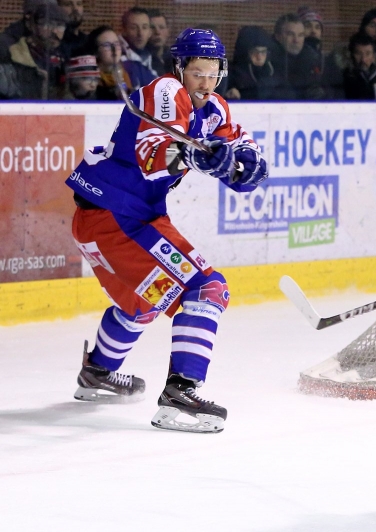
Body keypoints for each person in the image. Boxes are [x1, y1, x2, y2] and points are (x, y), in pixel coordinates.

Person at [65, 29, 268, 433]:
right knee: (207, 288)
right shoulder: (165, 90)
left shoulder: (214, 108)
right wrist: (196, 155)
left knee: (146, 300)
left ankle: (98, 372)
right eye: (197, 72)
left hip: (117, 217)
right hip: (115, 215)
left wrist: (247, 166)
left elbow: (240, 150)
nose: (205, 83)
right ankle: (182, 392)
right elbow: (151, 155)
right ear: (179, 69)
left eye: (213, 74)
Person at [0, 3, 66, 100]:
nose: (55, 31)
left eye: (60, 25)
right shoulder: (9, 53)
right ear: (30, 25)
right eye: (47, 24)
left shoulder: (60, 59)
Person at [269, 13, 324, 100]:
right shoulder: (266, 62)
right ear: (278, 36)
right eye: (290, 34)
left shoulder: (313, 59)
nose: (296, 40)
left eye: (300, 35)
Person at [226, 26, 280, 101]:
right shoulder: (231, 75)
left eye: (263, 52)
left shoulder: (274, 74)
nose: (259, 57)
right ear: (245, 53)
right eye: (255, 52)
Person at [119, 7, 157, 83]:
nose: (140, 33)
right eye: (134, 28)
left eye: (144, 27)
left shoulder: (156, 60)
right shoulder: (118, 58)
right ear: (124, 30)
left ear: (150, 32)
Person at [342, 32, 376, 100]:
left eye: (368, 54)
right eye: (358, 53)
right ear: (351, 55)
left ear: (374, 56)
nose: (363, 59)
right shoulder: (344, 77)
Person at [146, 9, 170, 76]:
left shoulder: (174, 58)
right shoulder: (143, 60)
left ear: (168, 31)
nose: (157, 32)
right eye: (152, 28)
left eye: (161, 27)